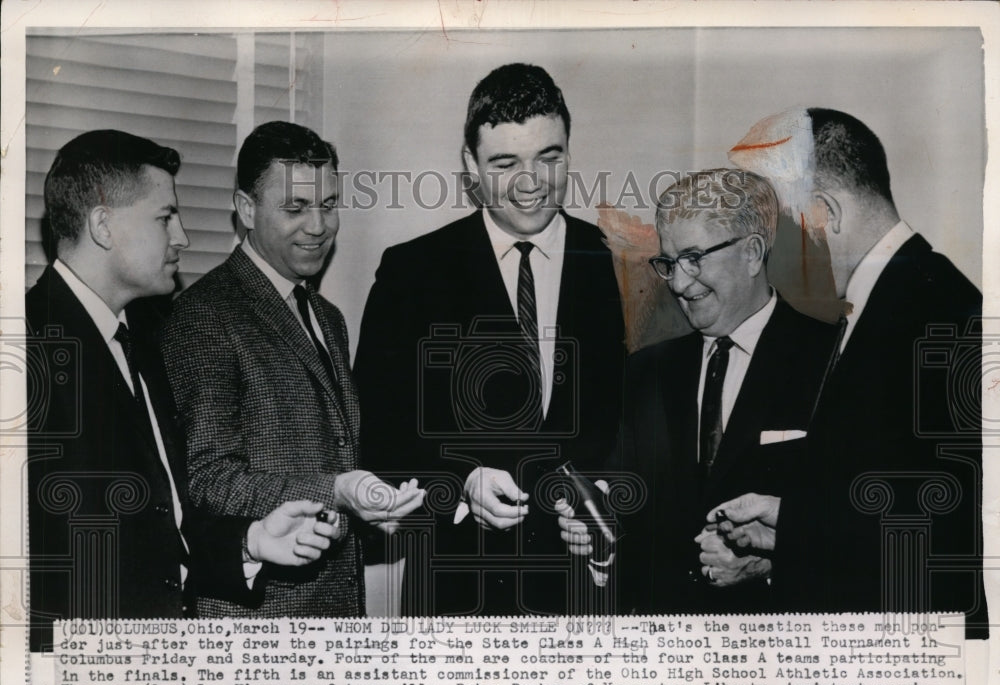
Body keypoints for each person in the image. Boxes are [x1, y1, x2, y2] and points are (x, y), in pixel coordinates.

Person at [27, 130, 337, 651]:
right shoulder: (25, 349)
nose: (183, 238)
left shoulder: (143, 339)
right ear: (103, 225)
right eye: (164, 217)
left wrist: (254, 541)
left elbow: (161, 522)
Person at [353, 63, 625, 616]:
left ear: (570, 153)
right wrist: (460, 483)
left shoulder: (622, 262)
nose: (531, 182)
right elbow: (377, 435)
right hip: (457, 600)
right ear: (470, 168)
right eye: (506, 163)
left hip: (588, 601)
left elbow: (645, 427)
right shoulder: (412, 272)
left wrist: (608, 508)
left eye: (549, 157)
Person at [721, 108, 985, 633]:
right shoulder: (901, 298)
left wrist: (790, 521)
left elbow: (948, 519)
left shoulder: (941, 314)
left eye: (786, 225)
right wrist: (780, 534)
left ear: (825, 212)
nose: (777, 251)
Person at [160, 121, 424, 619]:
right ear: (245, 209)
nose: (319, 226)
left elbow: (341, 452)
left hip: (337, 616)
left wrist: (370, 500)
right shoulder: (203, 316)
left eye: (328, 205)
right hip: (257, 622)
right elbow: (209, 480)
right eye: (296, 208)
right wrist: (336, 490)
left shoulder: (329, 319)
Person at [557, 169, 839, 614]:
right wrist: (599, 543)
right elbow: (623, 518)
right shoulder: (644, 372)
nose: (679, 284)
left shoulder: (834, 360)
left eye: (694, 258)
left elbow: (869, 530)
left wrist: (772, 564)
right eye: (669, 263)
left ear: (751, 253)